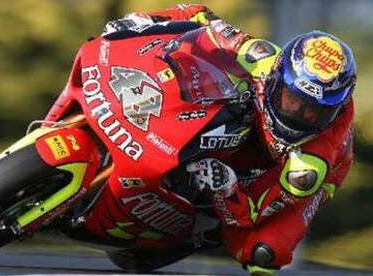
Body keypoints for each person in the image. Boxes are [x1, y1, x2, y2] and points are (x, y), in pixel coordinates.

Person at [98, 4, 356, 275]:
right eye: (292, 102)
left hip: (296, 168)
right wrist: (145, 21)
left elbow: (250, 213)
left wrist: (227, 187)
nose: (299, 116)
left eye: (314, 113)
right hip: (255, 122)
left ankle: (204, 230)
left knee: (264, 251)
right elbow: (201, 19)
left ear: (333, 111)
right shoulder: (262, 57)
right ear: (277, 79)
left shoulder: (307, 169)